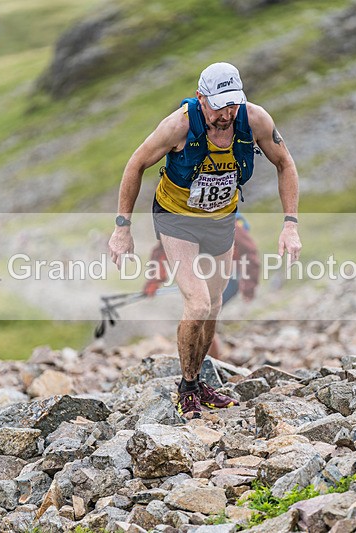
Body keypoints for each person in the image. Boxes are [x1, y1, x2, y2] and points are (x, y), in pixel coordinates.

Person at [109, 62, 301, 419]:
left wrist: (290, 225)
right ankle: (187, 388)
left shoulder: (255, 120)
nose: (226, 114)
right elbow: (135, 165)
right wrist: (123, 228)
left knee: (213, 305)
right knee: (196, 305)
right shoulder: (178, 126)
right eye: (218, 105)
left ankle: (199, 383)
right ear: (201, 98)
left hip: (221, 220)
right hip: (176, 219)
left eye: (233, 104)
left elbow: (285, 164)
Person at [143, 213, 260, 361]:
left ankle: (207, 362)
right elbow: (162, 251)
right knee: (201, 316)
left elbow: (250, 254)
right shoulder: (181, 223)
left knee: (203, 315)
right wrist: (153, 282)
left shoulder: (230, 225)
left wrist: (249, 285)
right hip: (201, 274)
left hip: (228, 277)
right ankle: (206, 362)